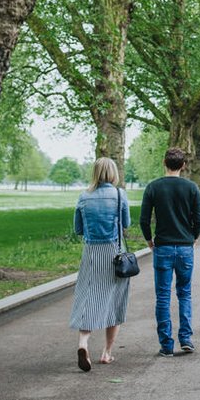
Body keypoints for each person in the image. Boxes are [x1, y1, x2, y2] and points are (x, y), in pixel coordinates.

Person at [140, 147, 200, 357]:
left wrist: (150, 240)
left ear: (163, 162)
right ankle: (185, 338)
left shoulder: (153, 187)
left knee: (163, 296)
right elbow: (199, 218)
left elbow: (144, 219)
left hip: (163, 247)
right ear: (183, 165)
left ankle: (166, 345)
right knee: (184, 293)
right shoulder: (192, 187)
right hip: (185, 247)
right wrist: (193, 237)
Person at [69, 157, 131, 372]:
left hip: (91, 253)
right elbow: (127, 223)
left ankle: (83, 344)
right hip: (114, 253)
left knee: (88, 298)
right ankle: (106, 352)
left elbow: (78, 229)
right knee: (114, 300)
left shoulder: (84, 196)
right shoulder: (119, 194)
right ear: (113, 173)